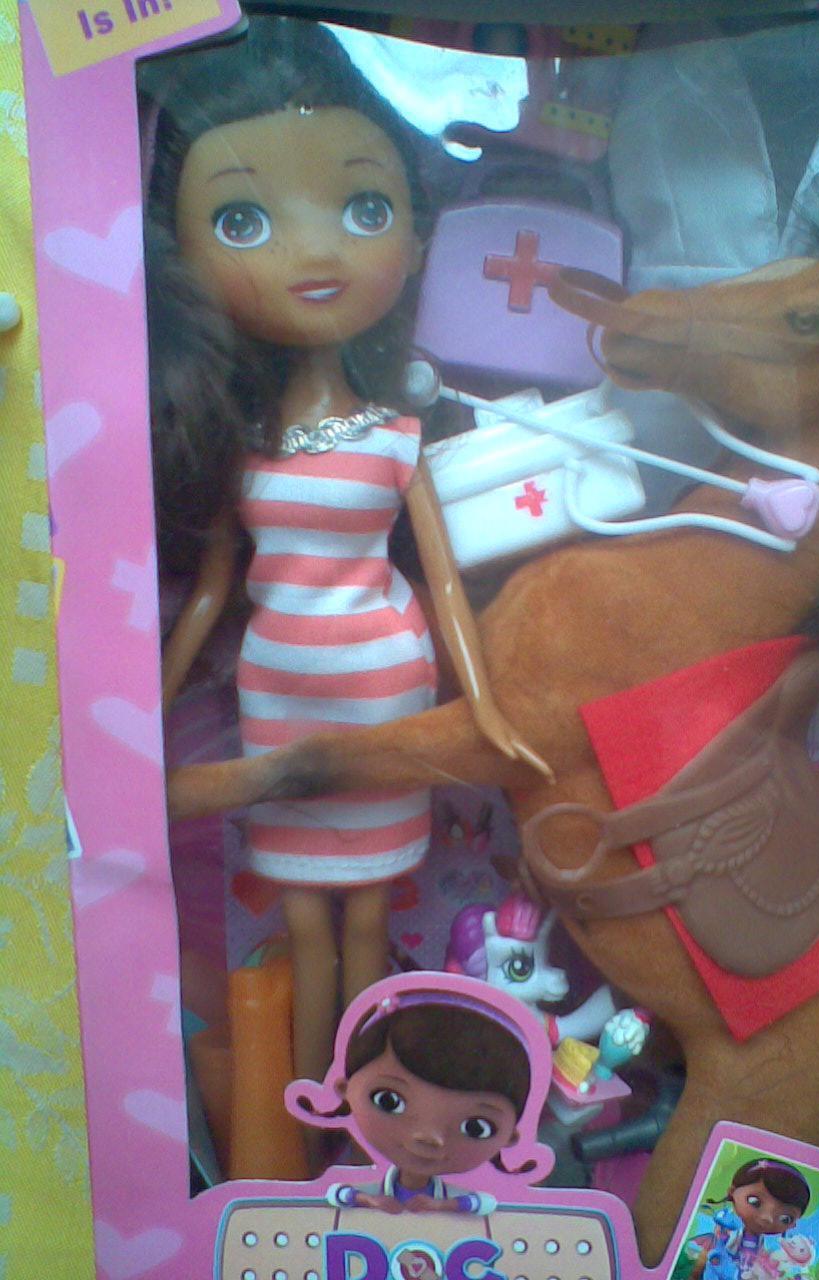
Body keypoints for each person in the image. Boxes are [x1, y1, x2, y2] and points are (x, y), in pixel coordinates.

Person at [141, 15, 546, 1115]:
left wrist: (482, 702)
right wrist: (151, 704)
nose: (315, 255)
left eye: (365, 210)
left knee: (368, 912)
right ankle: (308, 1108)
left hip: (380, 685)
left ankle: (371, 1106)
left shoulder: (398, 436)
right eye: (242, 220)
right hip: (277, 688)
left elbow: (442, 582)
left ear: (415, 229)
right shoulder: (242, 445)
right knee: (302, 913)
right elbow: (215, 588)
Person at [286, 979, 538, 1214]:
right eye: (388, 1101)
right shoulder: (369, 1185)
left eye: (476, 1127)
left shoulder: (458, 1195)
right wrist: (369, 1200)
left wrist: (444, 1206)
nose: (429, 1137)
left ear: (511, 1136)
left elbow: (487, 1203)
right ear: (344, 1089)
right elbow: (335, 1195)